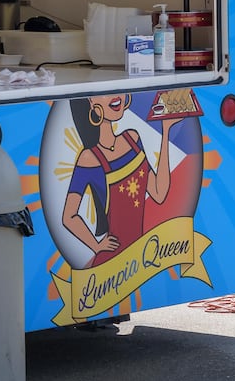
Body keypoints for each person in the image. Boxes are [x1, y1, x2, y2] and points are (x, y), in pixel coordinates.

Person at [61, 94, 180, 267]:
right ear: (90, 102)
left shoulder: (132, 139)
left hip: (140, 255)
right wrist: (96, 246)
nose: (116, 95)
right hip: (112, 262)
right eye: (103, 92)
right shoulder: (89, 158)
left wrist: (166, 130)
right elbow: (68, 216)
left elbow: (159, 193)